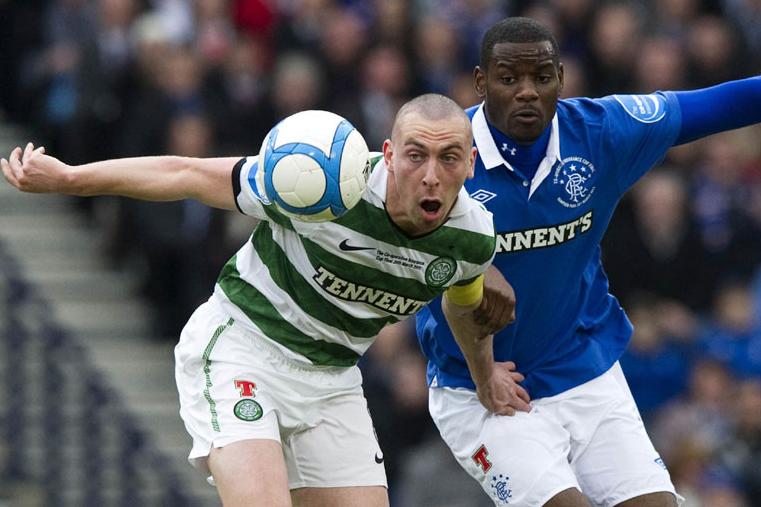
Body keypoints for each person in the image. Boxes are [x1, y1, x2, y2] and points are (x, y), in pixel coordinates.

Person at [2, 93, 519, 507]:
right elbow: (186, 173)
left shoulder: (472, 240)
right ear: (387, 155)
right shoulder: (324, 180)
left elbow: (463, 304)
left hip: (332, 381)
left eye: (449, 157)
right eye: (415, 155)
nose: (430, 174)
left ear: (471, 164)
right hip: (243, 348)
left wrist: (484, 376)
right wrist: (72, 179)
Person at [416, 17, 761, 507]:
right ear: (480, 82)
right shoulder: (440, 155)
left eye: (541, 77)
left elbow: (718, 104)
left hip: (584, 367)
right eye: (509, 79)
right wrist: (481, 365)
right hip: (481, 389)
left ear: (562, 76)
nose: (527, 92)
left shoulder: (602, 133)